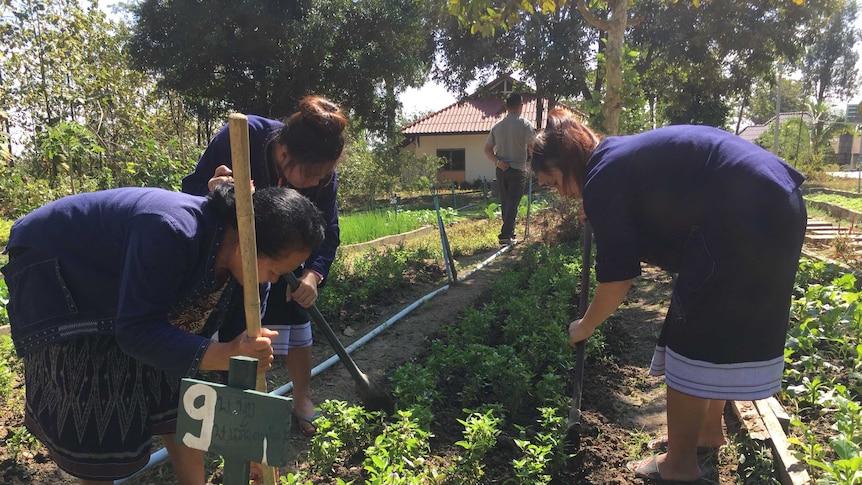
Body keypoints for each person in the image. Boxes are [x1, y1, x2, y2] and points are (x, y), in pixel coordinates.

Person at [531, 109, 806, 484]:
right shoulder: (612, 160)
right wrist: (599, 205)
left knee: (688, 340)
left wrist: (585, 325)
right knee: (716, 332)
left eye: (553, 182)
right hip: (777, 203)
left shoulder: (603, 177)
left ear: (566, 163)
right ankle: (706, 434)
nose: (561, 193)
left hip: (740, 215)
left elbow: (617, 279)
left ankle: (679, 466)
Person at [1, 185, 326, 484]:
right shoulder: (171, 230)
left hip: (129, 297)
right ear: (245, 243)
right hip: (62, 264)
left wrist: (251, 448)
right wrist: (225, 353)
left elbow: (235, 369)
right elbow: (135, 331)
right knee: (97, 399)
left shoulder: (251, 276)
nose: (272, 280)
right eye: (274, 270)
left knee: (178, 385)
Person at [182, 95, 347, 436]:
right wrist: (214, 189)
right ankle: (243, 423)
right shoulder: (242, 138)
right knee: (237, 337)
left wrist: (312, 275)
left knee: (296, 314)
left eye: (324, 175)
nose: (318, 183)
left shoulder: (322, 175)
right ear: (284, 155)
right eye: (312, 175)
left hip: (284, 264)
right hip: (236, 260)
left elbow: (328, 231)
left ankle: (301, 398)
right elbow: (191, 191)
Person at [484, 93, 537, 245]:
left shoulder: (497, 126)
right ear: (521, 106)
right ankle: (506, 235)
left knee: (506, 202)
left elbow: (487, 150)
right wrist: (534, 164)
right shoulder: (525, 125)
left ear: (506, 107)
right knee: (513, 201)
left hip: (501, 169)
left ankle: (509, 232)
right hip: (518, 168)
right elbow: (533, 146)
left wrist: (497, 162)